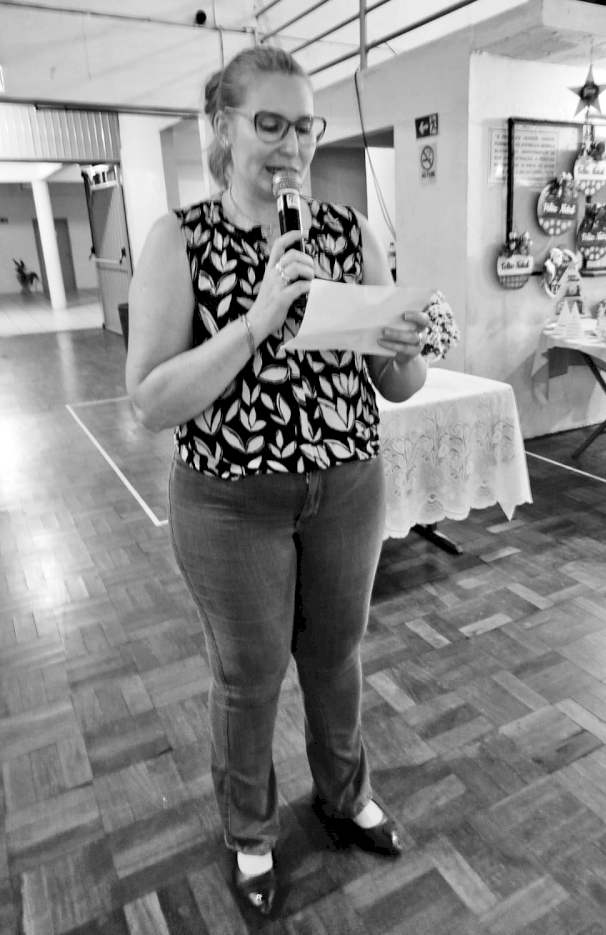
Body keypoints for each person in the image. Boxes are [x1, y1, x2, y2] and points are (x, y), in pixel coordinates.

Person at [125, 46, 429, 916]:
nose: (292, 145)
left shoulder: (349, 232)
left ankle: (343, 795)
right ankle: (250, 833)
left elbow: (396, 384)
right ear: (222, 128)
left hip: (347, 487)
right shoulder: (180, 239)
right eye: (269, 123)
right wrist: (258, 319)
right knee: (250, 676)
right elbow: (150, 401)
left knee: (336, 657)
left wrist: (405, 346)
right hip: (231, 503)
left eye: (305, 126)